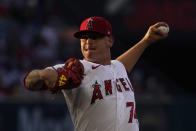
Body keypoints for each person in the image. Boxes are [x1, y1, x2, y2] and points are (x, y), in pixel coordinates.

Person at [24, 16, 168, 131]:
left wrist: (146, 40)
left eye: (94, 37)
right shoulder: (77, 68)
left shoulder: (118, 67)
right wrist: (43, 74)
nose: (88, 41)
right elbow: (30, 81)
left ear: (110, 40)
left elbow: (119, 65)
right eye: (84, 37)